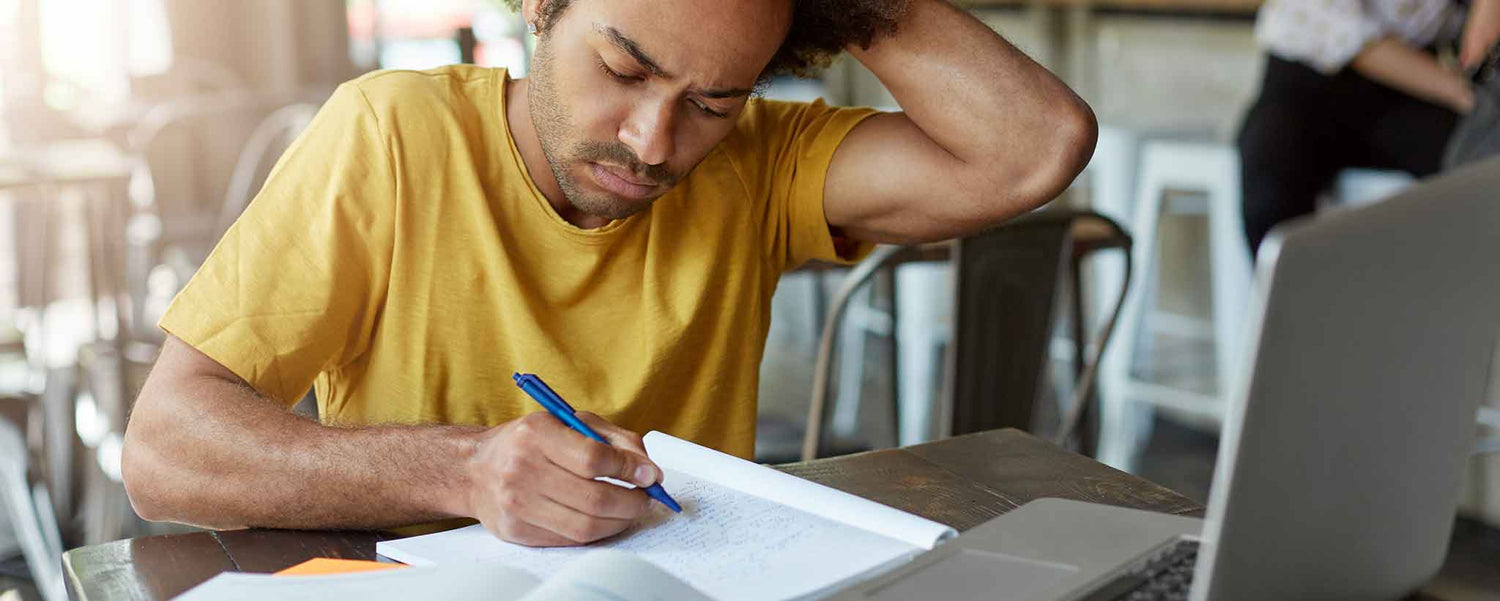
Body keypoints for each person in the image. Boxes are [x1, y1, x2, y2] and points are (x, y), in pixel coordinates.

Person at [120, 0, 1096, 547]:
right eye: (624, 70)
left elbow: (1034, 150)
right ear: (543, 8)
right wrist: (461, 467)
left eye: (712, 102)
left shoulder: (759, 158)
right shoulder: (390, 134)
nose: (653, 141)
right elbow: (165, 452)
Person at [1238, 0, 1500, 254]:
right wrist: (1463, 94)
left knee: (1483, 166)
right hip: (1308, 72)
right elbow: (1343, 32)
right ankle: (1294, 297)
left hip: (1416, 80)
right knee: (1268, 189)